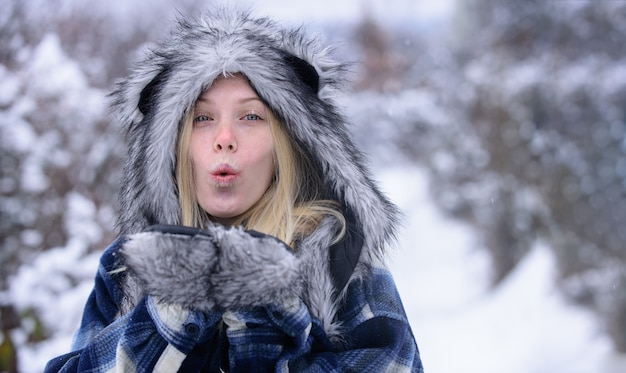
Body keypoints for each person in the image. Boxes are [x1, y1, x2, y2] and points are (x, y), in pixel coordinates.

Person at [45, 7, 423, 372]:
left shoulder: (343, 263)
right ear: (173, 146)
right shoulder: (126, 269)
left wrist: (262, 313)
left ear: (286, 145)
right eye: (203, 118)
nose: (224, 139)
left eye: (251, 116)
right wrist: (174, 307)